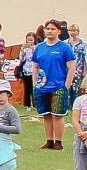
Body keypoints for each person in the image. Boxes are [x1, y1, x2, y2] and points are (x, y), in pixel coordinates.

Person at [29, 19, 77, 149]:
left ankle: (58, 142)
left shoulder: (64, 48)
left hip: (58, 86)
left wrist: (66, 86)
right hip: (42, 87)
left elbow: (72, 67)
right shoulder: (39, 47)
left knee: (57, 115)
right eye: (48, 29)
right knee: (46, 114)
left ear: (59, 31)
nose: (49, 31)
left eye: (53, 29)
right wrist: (35, 83)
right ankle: (49, 140)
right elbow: (35, 66)